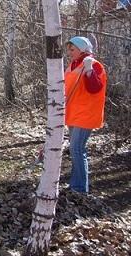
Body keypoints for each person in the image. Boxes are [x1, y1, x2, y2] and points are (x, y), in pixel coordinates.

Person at [64, 36, 107, 194]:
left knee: (77, 149)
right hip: (73, 113)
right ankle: (75, 185)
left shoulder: (94, 65)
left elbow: (95, 88)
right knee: (75, 150)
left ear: (81, 49)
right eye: (69, 49)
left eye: (72, 49)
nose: (69, 52)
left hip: (85, 114)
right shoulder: (73, 65)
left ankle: (80, 189)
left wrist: (89, 70)